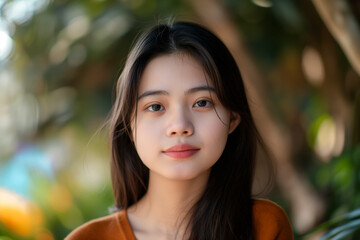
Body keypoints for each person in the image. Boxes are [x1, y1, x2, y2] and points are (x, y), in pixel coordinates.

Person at [66, 21, 294, 240]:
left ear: (233, 119)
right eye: (155, 106)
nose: (180, 126)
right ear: (130, 126)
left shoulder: (265, 227)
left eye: (202, 102)